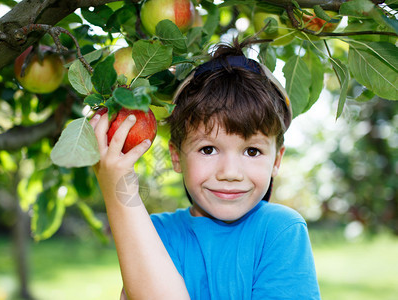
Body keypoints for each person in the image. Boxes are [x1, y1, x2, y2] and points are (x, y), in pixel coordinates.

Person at [90, 38, 321, 300]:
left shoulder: (280, 231)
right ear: (177, 156)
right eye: (208, 149)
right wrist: (119, 191)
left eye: (252, 151)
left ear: (276, 160)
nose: (230, 172)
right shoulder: (153, 234)